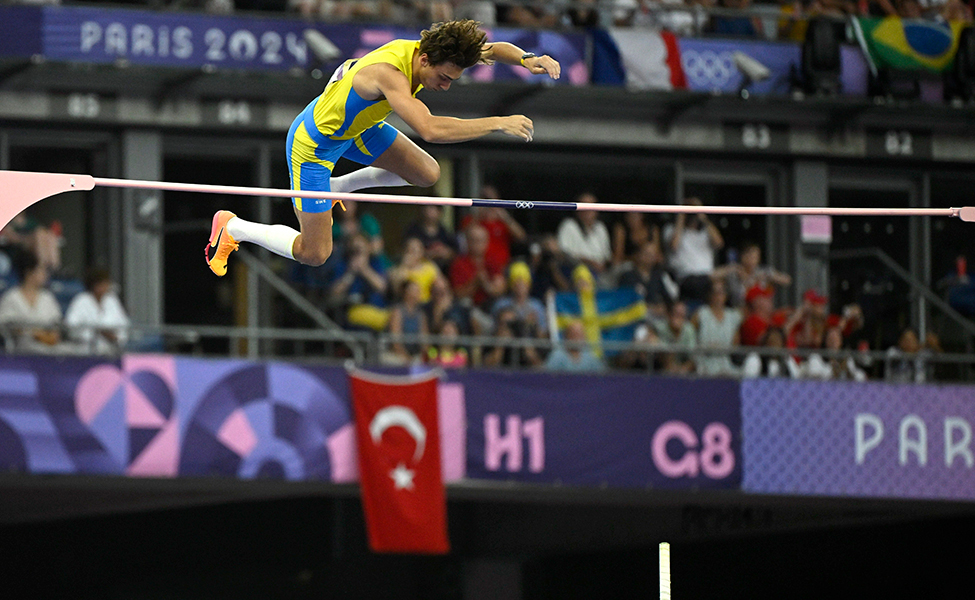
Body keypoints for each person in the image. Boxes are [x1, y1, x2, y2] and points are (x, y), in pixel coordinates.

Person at [205, 20, 560, 277]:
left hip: (360, 128)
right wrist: (497, 122)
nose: (446, 87)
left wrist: (529, 59)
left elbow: (492, 49)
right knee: (315, 253)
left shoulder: (436, 52)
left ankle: (339, 187)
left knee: (427, 173)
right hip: (314, 146)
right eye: (443, 79)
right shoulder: (390, 74)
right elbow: (430, 129)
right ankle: (234, 227)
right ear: (424, 61)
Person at [663, 197, 724, 304]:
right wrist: (681, 215)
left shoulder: (705, 232)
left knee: (728, 278)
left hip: (708, 278)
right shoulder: (671, 229)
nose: (692, 214)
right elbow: (674, 246)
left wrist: (702, 215)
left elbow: (719, 243)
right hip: (686, 278)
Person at [0, 252, 63, 354]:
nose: (45, 274)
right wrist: (34, 333)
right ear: (29, 273)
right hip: (19, 351)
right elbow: (6, 327)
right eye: (41, 270)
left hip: (49, 348)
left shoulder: (47, 298)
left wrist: (42, 336)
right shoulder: (11, 297)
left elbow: (55, 330)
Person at [64, 267, 130, 355]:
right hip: (85, 351)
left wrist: (115, 337)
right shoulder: (81, 300)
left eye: (107, 283)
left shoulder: (112, 300)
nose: (106, 287)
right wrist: (96, 332)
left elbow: (124, 324)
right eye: (103, 284)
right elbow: (71, 326)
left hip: (111, 350)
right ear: (94, 285)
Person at [692, 278, 742, 377]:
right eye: (715, 292)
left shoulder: (733, 316)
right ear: (709, 294)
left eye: (721, 292)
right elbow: (691, 338)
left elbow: (735, 343)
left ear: (726, 295)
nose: (718, 296)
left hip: (724, 363)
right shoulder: (701, 314)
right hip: (703, 362)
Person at [449, 224, 506, 309]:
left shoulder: (492, 261)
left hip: (491, 304)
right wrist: (475, 283)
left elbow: (500, 288)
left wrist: (486, 285)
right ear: (467, 242)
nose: (478, 244)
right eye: (474, 240)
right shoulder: (459, 263)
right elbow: (458, 294)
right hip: (469, 306)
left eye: (482, 240)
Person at [616, 241, 678, 318]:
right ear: (639, 255)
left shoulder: (658, 276)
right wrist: (649, 308)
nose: (650, 257)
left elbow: (668, 299)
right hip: (636, 316)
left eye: (653, 254)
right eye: (647, 254)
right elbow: (623, 301)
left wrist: (663, 307)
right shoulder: (627, 276)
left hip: (657, 317)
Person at [557, 192, 612, 276]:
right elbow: (564, 254)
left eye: (591, 206)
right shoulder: (569, 225)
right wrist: (591, 263)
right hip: (577, 269)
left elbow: (607, 256)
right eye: (585, 206)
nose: (588, 210)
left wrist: (604, 266)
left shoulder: (600, 227)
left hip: (602, 270)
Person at [403, 204, 458, 271]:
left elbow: (454, 253)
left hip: (442, 269)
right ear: (422, 210)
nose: (430, 212)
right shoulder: (413, 231)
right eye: (428, 208)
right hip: (418, 269)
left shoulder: (445, 232)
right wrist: (428, 254)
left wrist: (445, 252)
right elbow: (406, 252)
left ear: (440, 212)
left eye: (433, 209)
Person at [388, 237, 441, 303]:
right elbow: (395, 289)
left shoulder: (430, 267)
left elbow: (440, 285)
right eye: (408, 251)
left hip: (428, 304)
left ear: (421, 253)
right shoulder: (399, 269)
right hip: (409, 305)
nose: (410, 254)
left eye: (413, 251)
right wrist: (404, 266)